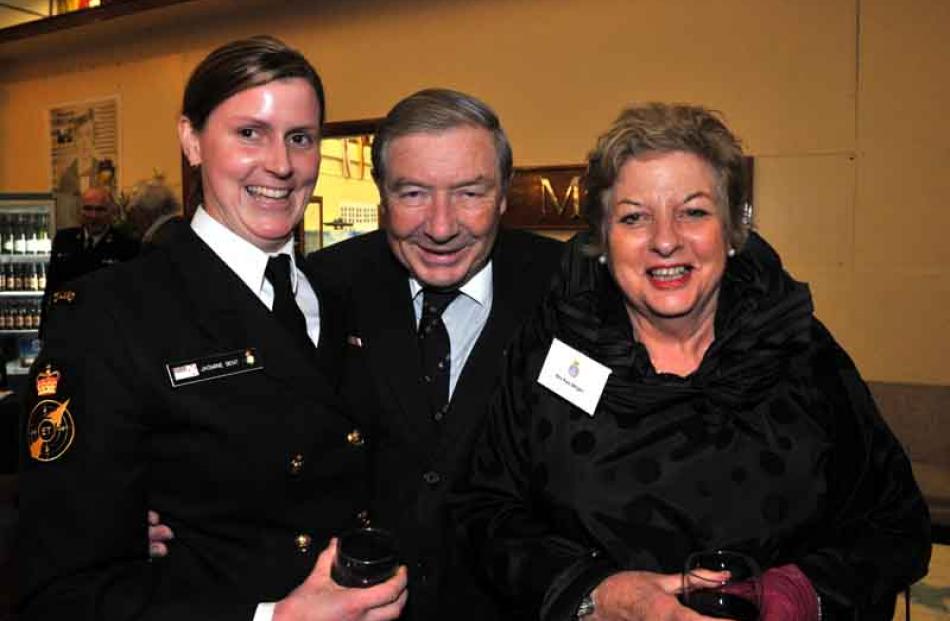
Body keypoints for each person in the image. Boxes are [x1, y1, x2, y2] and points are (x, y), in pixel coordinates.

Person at [455, 103, 931, 620]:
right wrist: (594, 593)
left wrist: (796, 595)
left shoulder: (801, 350)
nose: (665, 240)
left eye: (694, 212)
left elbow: (895, 521)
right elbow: (486, 512)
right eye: (634, 217)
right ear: (603, 240)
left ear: (732, 231)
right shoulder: (553, 351)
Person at [17, 36, 407, 621]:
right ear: (191, 140)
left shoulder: (340, 294)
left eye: (300, 138)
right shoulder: (113, 315)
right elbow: (60, 593)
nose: (280, 164)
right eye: (249, 133)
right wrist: (272, 619)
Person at [306, 89, 563, 620]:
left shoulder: (571, 289)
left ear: (503, 196)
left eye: (469, 193)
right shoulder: (323, 287)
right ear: (382, 197)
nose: (441, 227)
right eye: (414, 194)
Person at [44, 186, 139, 295]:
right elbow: (53, 286)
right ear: (80, 211)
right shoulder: (64, 239)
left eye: (100, 209)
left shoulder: (126, 245)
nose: (93, 216)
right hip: (70, 309)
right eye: (88, 208)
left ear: (111, 212)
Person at [126, 177, 182, 246]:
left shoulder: (156, 242)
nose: (134, 222)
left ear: (147, 212)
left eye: (136, 214)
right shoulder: (184, 229)